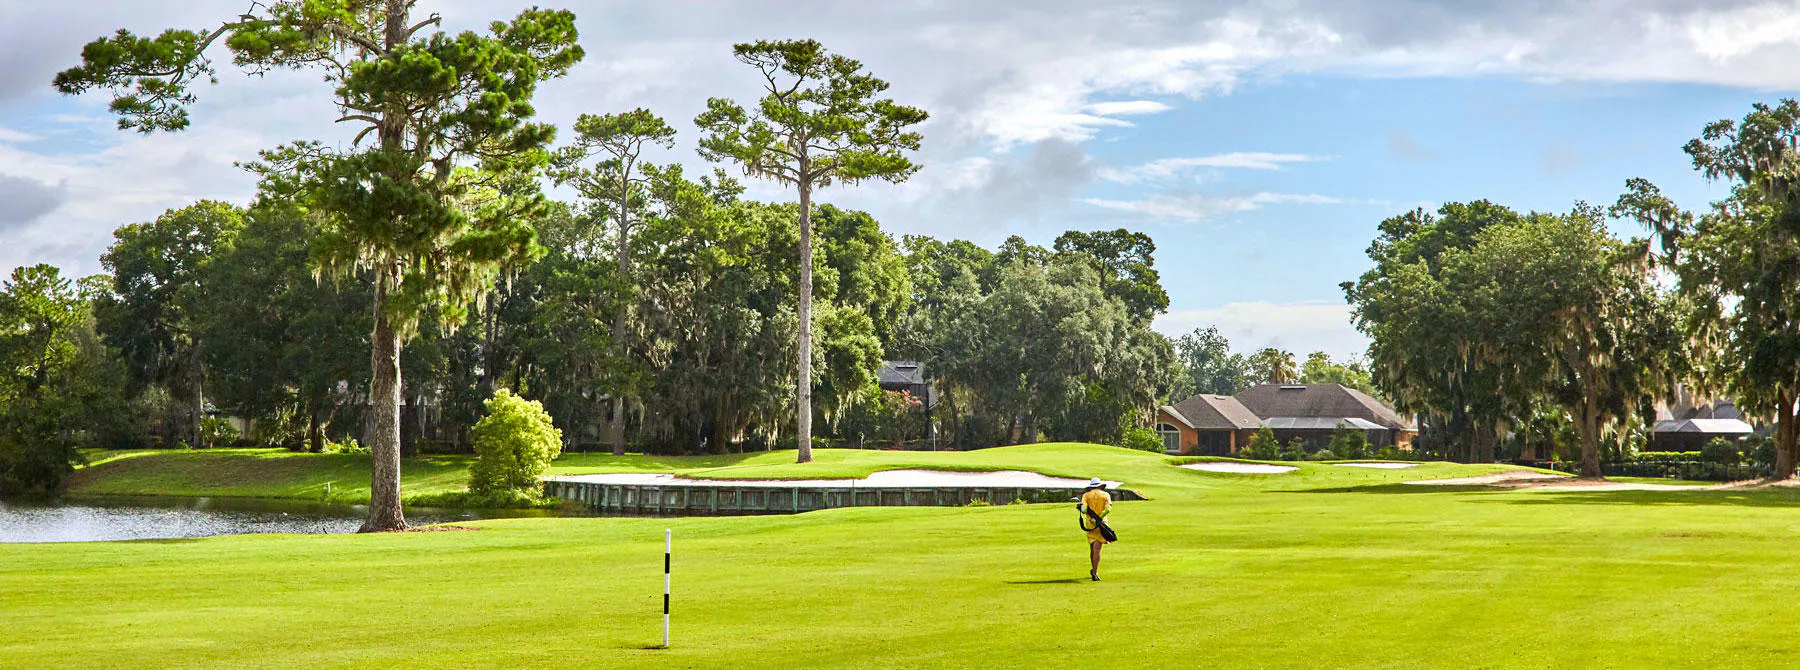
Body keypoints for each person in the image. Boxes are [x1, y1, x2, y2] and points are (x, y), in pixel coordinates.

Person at [1077, 477, 1112, 581]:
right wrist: (1099, 517)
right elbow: (1108, 509)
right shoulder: (1106, 495)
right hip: (1101, 524)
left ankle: (1093, 570)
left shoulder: (1086, 495)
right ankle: (1095, 572)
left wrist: (1081, 509)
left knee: (1093, 548)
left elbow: (1084, 510)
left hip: (1090, 524)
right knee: (1097, 549)